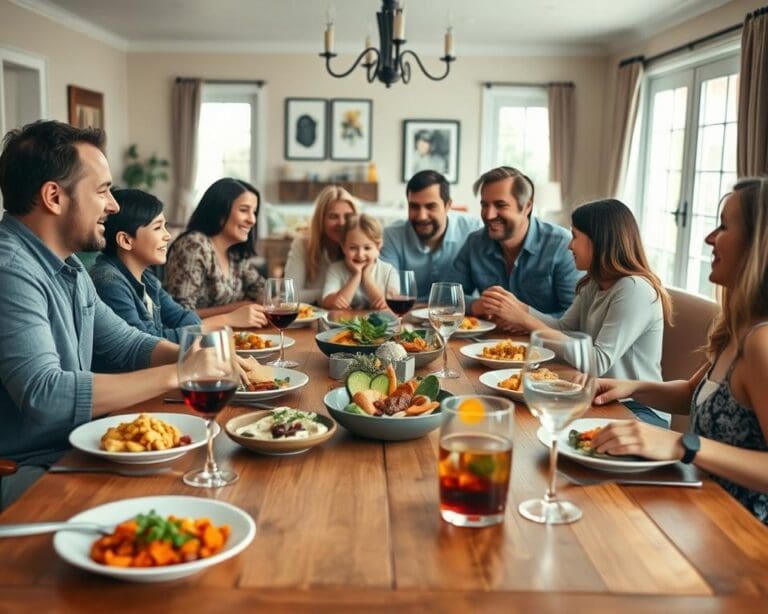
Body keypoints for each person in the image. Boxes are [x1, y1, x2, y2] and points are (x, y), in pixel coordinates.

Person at [0, 120, 180, 508]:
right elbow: (44, 394)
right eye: (102, 191)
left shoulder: (71, 266)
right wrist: (181, 373)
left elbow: (126, 342)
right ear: (54, 197)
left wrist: (198, 354)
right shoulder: (9, 271)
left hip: (71, 453)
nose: (113, 205)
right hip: (24, 472)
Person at [591, 178, 768, 524]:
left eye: (724, 226)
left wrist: (682, 446)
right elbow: (692, 393)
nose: (709, 238)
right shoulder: (736, 328)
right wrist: (631, 387)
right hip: (702, 509)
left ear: (758, 245)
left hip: (744, 535)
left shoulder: (762, 343)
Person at [486, 199, 672, 425]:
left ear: (599, 242)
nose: (569, 246)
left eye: (574, 236)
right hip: (597, 397)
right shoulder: (595, 283)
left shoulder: (633, 289)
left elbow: (597, 361)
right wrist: (520, 308)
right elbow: (563, 329)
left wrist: (525, 320)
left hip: (638, 410)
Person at [90, 189, 265, 343]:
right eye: (158, 228)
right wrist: (226, 319)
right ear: (126, 240)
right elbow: (147, 346)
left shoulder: (147, 278)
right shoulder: (109, 282)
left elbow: (182, 317)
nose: (167, 236)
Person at [452, 166, 582, 319]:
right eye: (484, 205)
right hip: (485, 340)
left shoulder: (561, 245)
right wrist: (475, 305)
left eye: (500, 205)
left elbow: (575, 317)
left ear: (527, 206)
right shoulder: (475, 243)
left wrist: (525, 320)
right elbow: (448, 298)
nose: (489, 214)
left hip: (543, 341)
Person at [164, 178, 267, 327]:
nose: (252, 220)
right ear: (220, 212)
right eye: (244, 210)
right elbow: (179, 314)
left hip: (232, 339)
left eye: (254, 212)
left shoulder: (235, 252)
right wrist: (236, 309)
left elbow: (262, 291)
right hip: (197, 343)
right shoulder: (194, 246)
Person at [379, 170, 482, 302]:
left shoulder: (473, 231)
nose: (422, 216)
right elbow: (388, 291)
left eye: (430, 206)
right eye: (414, 207)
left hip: (463, 317)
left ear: (448, 205)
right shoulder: (391, 236)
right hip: (408, 316)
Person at [284, 185, 359, 304]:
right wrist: (331, 295)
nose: (342, 223)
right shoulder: (302, 245)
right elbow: (289, 296)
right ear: (320, 220)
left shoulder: (362, 251)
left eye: (348, 216)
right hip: (311, 319)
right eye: (333, 216)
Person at [321, 213, 396, 310]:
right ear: (343, 247)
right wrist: (356, 276)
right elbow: (328, 302)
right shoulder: (336, 269)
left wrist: (367, 277)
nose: (360, 254)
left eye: (367, 248)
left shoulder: (388, 270)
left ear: (378, 246)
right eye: (353, 248)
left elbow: (387, 306)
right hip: (345, 323)